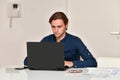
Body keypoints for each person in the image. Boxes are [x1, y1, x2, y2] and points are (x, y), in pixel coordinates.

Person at [24, 12, 97, 68]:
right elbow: (27, 61)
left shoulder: (75, 41)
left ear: (66, 25)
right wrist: (45, 62)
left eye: (59, 26)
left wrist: (70, 63)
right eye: (53, 27)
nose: (56, 30)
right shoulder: (46, 40)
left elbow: (92, 62)